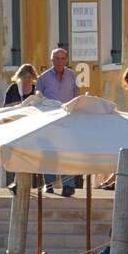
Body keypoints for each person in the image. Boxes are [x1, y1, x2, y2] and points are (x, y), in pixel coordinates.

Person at [36, 47, 79, 196]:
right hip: (49, 120)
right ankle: (49, 184)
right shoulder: (43, 78)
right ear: (51, 60)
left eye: (62, 59)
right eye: (56, 58)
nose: (60, 61)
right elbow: (38, 100)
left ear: (66, 60)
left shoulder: (73, 76)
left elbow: (76, 97)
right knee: (49, 152)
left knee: (67, 152)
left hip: (67, 120)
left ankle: (68, 186)